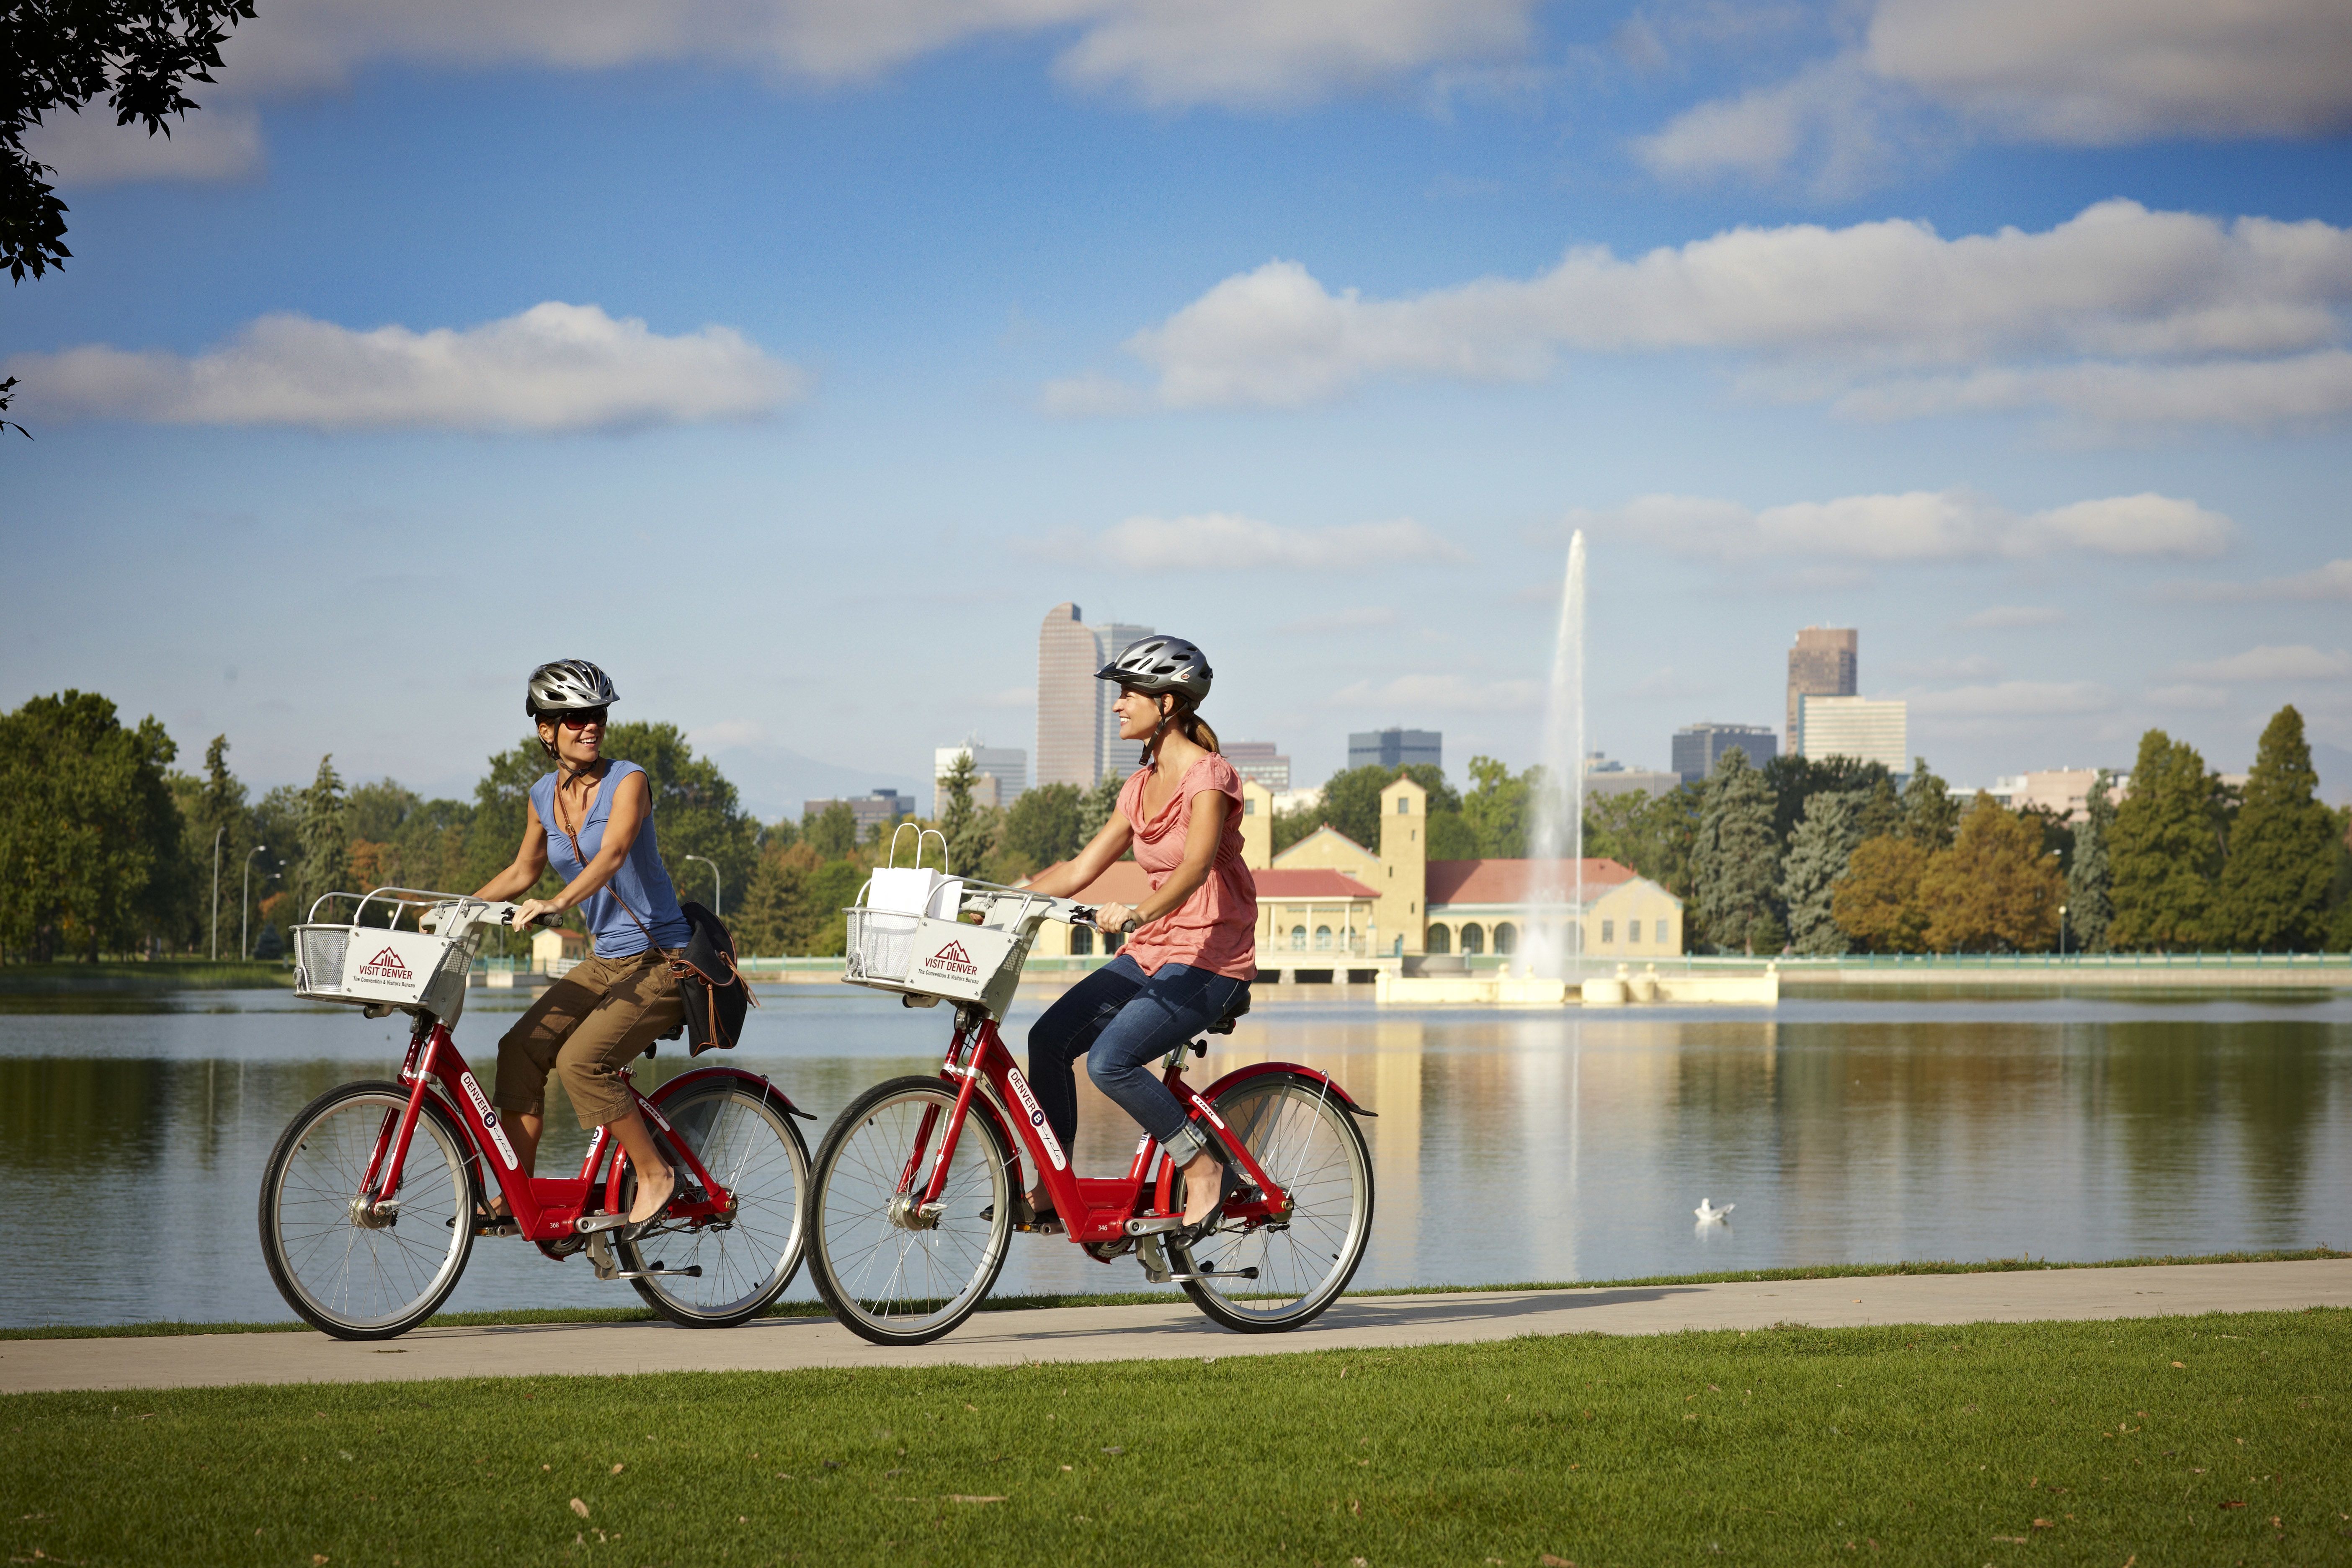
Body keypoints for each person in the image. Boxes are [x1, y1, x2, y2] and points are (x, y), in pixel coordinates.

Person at [1021, 635, 1256, 1230]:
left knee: (1109, 1062)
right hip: (1153, 954)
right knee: (1048, 1040)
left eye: (1130, 693)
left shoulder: (1209, 776)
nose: (1120, 704)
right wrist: (997, 903)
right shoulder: (1136, 788)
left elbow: (1197, 865)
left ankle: (1202, 1168)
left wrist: (1137, 910)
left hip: (1212, 958)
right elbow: (1079, 870)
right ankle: (1056, 1181)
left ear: (1168, 703)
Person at [471, 659, 693, 1237]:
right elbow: (523, 870)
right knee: (521, 1047)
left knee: (580, 1062)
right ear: (547, 730)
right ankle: (516, 1191)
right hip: (607, 961)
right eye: (575, 718)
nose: (590, 726)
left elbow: (613, 854)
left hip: (663, 959)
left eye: (597, 714)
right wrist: (455, 912)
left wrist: (558, 903)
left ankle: (655, 1175)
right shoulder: (543, 796)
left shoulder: (630, 780)